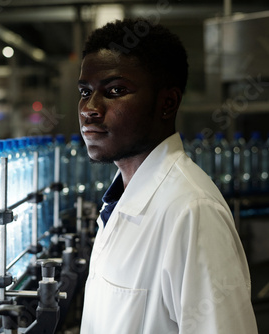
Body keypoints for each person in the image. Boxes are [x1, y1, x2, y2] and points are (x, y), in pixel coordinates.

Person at [78, 18, 257, 333]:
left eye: (115, 90)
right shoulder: (121, 200)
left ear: (167, 103)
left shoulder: (192, 212)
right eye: (85, 91)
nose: (89, 108)